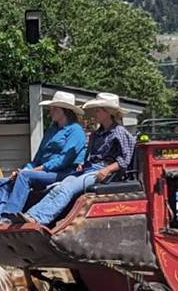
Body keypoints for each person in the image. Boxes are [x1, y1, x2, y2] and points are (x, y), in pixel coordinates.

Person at [24, 92, 135, 226]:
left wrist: (107, 170)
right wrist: (82, 164)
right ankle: (31, 215)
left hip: (105, 172)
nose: (94, 113)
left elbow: (125, 160)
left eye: (98, 110)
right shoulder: (97, 134)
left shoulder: (120, 132)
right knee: (59, 186)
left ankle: (39, 219)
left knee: (68, 188)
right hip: (90, 169)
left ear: (107, 112)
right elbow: (89, 155)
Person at [0, 91, 87, 223]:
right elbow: (38, 158)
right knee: (2, 182)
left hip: (62, 173)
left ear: (65, 111)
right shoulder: (51, 131)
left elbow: (64, 160)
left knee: (25, 176)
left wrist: (35, 170)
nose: (51, 112)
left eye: (54, 109)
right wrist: (25, 169)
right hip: (42, 171)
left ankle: (8, 216)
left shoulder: (76, 130)